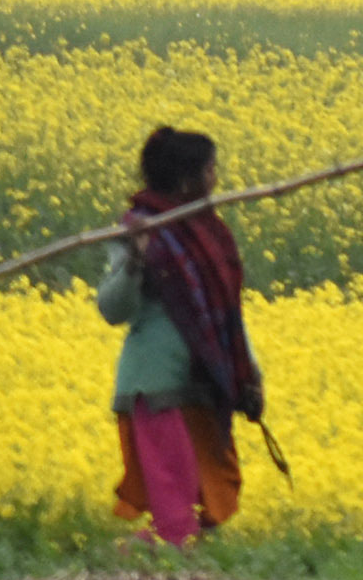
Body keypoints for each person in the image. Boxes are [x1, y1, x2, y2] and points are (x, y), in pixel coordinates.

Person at [98, 126, 264, 547]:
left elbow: (227, 309)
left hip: (204, 383)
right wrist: (135, 260)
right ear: (187, 179)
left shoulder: (209, 234)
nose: (215, 179)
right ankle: (156, 569)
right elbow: (114, 310)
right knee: (175, 505)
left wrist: (250, 373)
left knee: (211, 498)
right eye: (210, 170)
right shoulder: (138, 230)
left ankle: (148, 559)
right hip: (157, 385)